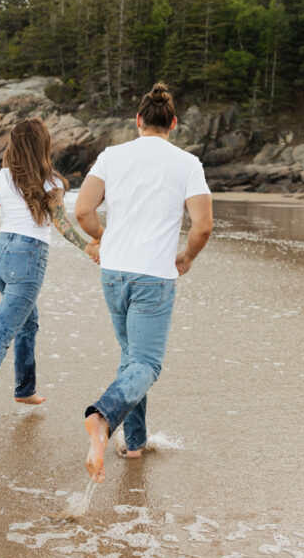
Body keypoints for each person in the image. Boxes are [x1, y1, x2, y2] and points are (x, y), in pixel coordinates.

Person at [73, 82, 213, 482]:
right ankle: (102, 416)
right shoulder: (187, 163)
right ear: (173, 122)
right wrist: (187, 256)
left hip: (113, 273)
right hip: (153, 275)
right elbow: (203, 226)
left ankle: (134, 445)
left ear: (138, 121)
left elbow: (83, 210)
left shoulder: (111, 156)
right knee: (147, 363)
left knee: (131, 359)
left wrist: (102, 239)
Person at [0, 118, 96, 448]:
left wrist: (1, 204)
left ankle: (25, 390)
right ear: (43, 146)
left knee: (28, 321)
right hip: (28, 259)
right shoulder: (51, 182)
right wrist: (88, 246)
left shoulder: (2, 177)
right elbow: (62, 225)